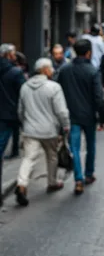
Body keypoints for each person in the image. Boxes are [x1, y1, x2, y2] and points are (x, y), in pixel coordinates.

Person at [15, 58, 70, 206]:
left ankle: (21, 184)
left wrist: (24, 123)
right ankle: (52, 182)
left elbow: (20, 111)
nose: (52, 71)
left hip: (30, 130)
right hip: (49, 130)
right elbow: (61, 111)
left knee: (28, 158)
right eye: (50, 68)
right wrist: (66, 126)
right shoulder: (54, 87)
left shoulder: (25, 86)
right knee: (52, 157)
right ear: (45, 70)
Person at [57, 39, 104, 195]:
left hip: (71, 115)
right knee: (90, 146)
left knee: (75, 148)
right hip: (89, 116)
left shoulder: (64, 70)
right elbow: (99, 97)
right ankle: (89, 174)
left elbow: (58, 92)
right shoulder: (92, 71)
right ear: (88, 52)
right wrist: (103, 117)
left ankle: (78, 179)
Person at [0, 44, 26, 205]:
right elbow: (24, 94)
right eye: (13, 53)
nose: (15, 56)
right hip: (9, 115)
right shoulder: (16, 73)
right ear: (8, 55)